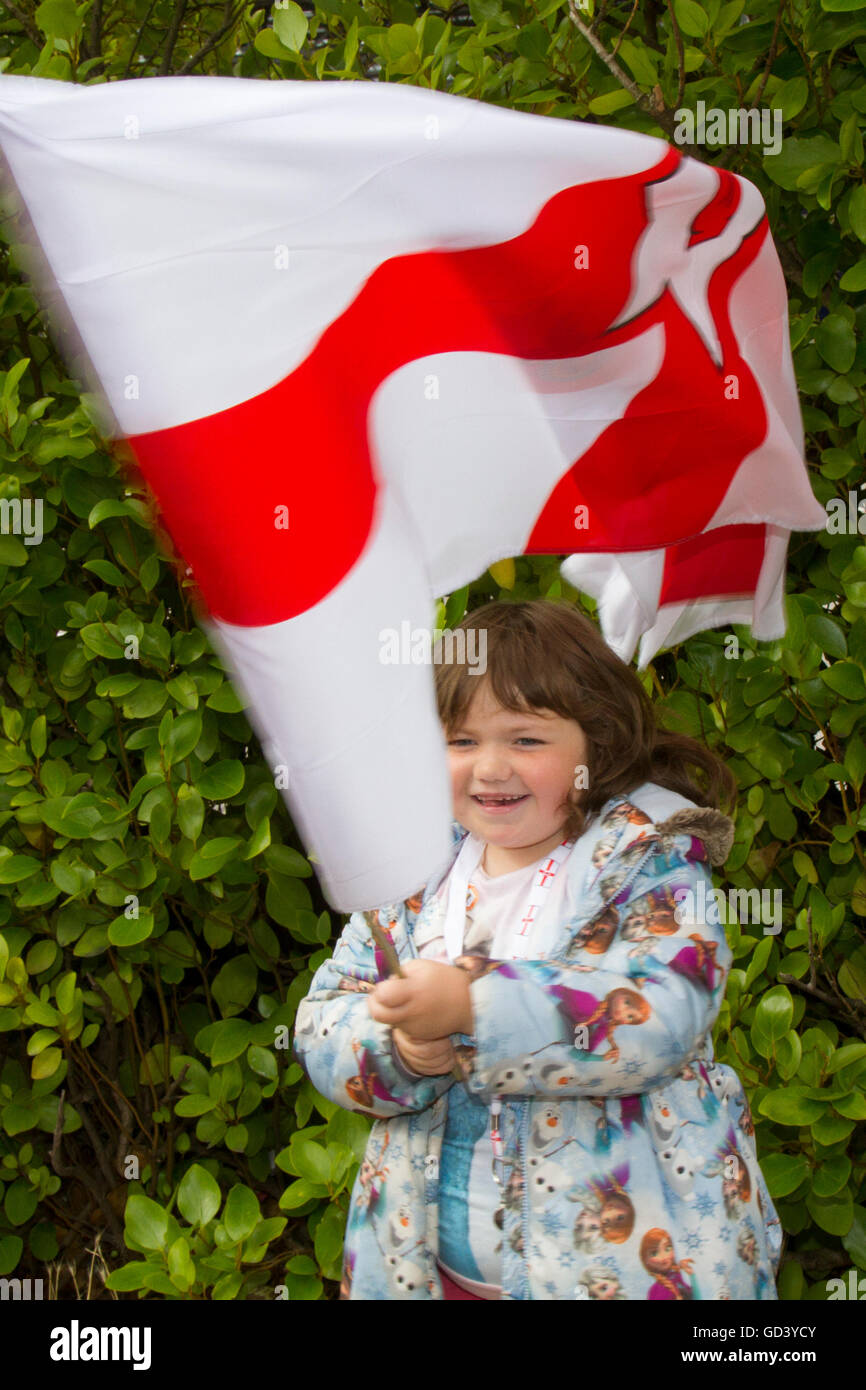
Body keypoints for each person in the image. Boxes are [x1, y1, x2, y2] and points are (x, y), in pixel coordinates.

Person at [293, 598, 783, 1300]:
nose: (491, 767)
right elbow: (323, 1019)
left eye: (526, 740)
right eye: (461, 741)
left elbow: (664, 1015)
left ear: (597, 744)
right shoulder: (411, 877)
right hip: (427, 1268)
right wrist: (401, 1049)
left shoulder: (645, 863)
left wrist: (477, 1007)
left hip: (621, 1272)